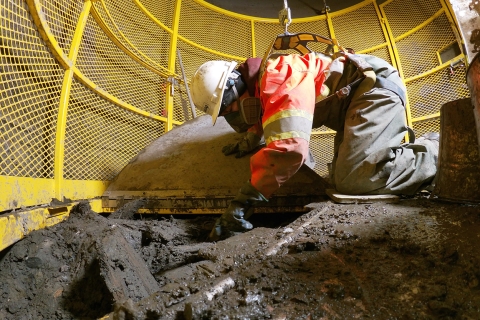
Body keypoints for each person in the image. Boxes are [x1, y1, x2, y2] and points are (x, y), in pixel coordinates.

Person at [190, 48, 439, 241]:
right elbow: (267, 117)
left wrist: (243, 203)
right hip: (351, 107)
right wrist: (249, 140)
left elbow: (290, 147)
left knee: (353, 180)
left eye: (230, 108)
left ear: (239, 85)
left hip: (372, 89)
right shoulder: (261, 87)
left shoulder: (279, 77)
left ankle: (438, 152)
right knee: (339, 179)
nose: (233, 117)